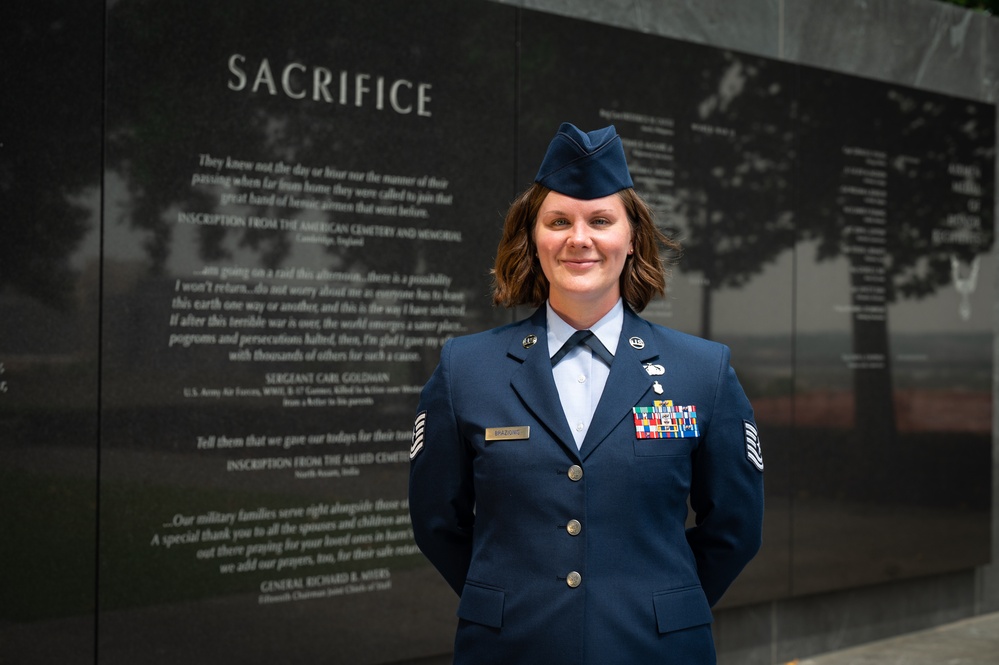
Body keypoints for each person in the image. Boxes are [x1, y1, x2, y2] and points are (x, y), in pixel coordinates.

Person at [409, 122, 764, 664]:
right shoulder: (466, 369)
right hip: (511, 648)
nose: (580, 239)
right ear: (533, 238)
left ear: (631, 238)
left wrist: (663, 604)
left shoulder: (702, 371)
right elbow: (437, 520)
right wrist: (508, 602)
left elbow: (735, 527)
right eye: (558, 221)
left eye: (600, 220)